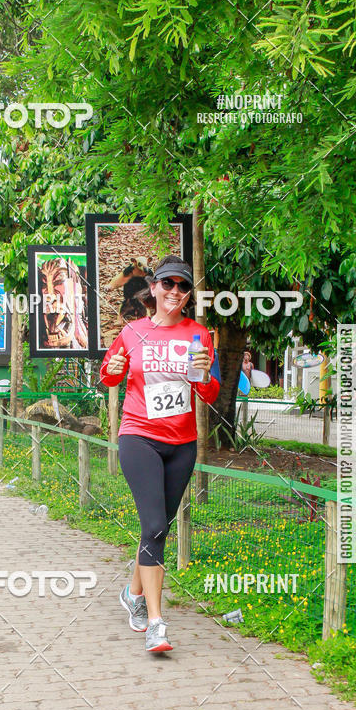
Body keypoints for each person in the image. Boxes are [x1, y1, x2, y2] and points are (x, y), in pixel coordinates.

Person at [100, 254, 220, 653]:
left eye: (182, 286)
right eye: (167, 283)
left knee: (159, 528)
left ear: (188, 294)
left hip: (182, 444)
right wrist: (114, 368)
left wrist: (204, 372)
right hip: (139, 438)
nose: (175, 291)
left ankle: (133, 593)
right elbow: (109, 376)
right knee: (153, 525)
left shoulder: (199, 335)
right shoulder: (132, 332)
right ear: (153, 288)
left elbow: (209, 393)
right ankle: (155, 623)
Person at [108, 257, 151, 322]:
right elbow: (119, 279)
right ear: (134, 262)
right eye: (140, 265)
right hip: (129, 296)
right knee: (125, 305)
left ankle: (147, 319)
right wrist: (111, 286)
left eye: (146, 264)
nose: (145, 268)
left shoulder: (149, 273)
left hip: (143, 297)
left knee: (145, 306)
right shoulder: (129, 271)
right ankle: (119, 319)